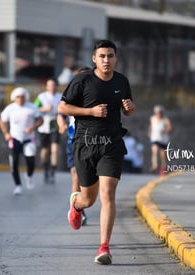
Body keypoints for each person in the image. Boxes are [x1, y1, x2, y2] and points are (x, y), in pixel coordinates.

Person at [58, 39, 135, 265]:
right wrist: (90, 111)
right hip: (85, 144)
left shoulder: (122, 81)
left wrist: (130, 109)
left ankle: (104, 247)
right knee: (89, 199)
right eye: (102, 56)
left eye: (110, 56)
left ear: (116, 58)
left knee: (108, 194)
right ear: (94, 59)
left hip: (111, 144)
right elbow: (62, 107)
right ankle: (77, 206)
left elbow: (128, 108)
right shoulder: (82, 80)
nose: (106, 60)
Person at [57, 66, 91, 225]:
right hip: (74, 141)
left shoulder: (96, 95)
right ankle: (77, 210)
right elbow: (60, 113)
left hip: (94, 143)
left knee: (90, 181)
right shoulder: (71, 96)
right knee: (76, 176)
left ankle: (81, 203)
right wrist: (61, 125)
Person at [0, 87, 43, 195]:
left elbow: (40, 120)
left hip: (29, 139)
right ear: (14, 98)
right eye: (18, 97)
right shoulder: (10, 108)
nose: (20, 99)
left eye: (22, 97)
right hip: (14, 139)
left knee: (31, 161)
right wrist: (6, 133)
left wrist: (32, 128)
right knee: (14, 163)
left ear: (26, 97)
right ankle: (18, 185)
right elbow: (2, 121)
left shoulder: (32, 107)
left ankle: (29, 176)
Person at [34, 78, 62, 183]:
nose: (52, 87)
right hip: (44, 124)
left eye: (54, 85)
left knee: (54, 149)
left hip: (55, 124)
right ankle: (45, 169)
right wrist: (44, 109)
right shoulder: (41, 97)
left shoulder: (60, 96)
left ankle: (53, 172)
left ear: (56, 86)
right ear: (46, 86)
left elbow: (65, 108)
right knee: (45, 150)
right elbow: (34, 108)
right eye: (49, 85)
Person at [148, 105, 172, 174]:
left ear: (161, 112)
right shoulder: (152, 118)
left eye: (159, 112)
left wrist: (166, 130)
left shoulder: (165, 120)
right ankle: (154, 166)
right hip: (155, 138)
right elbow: (150, 126)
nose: (158, 114)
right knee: (154, 150)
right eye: (156, 112)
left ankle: (163, 168)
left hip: (163, 140)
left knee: (163, 155)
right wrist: (149, 133)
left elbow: (170, 128)